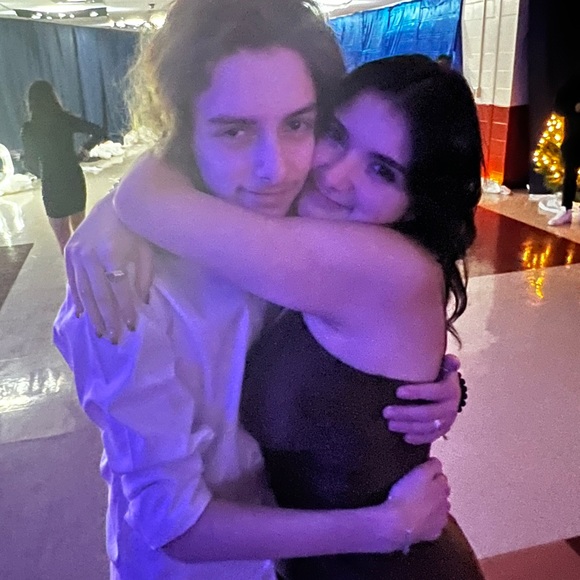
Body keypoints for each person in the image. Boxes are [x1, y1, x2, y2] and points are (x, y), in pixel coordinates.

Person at [54, 1, 467, 578]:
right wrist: (384, 525)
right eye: (235, 130)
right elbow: (172, 522)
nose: (277, 169)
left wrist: (430, 386)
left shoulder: (304, 231)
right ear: (182, 128)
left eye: (298, 124)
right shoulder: (123, 291)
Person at [21, 80, 106, 253]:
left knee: (63, 241)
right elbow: (99, 131)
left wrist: (43, 173)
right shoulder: (65, 119)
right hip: (73, 177)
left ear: (31, 102)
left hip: (52, 183)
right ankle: (87, 268)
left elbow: (29, 163)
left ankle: (71, 270)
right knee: (81, 233)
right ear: (53, 97)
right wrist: (84, 151)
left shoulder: (29, 129)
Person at [549, 72, 580, 226]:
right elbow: (559, 106)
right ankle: (566, 209)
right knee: (569, 174)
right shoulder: (575, 81)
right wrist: (574, 107)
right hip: (574, 138)